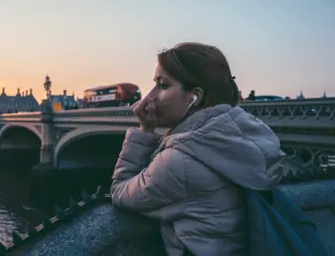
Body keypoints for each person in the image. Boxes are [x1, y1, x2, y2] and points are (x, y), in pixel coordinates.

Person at [110, 42, 285, 256]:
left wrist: (145, 131)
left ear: (195, 97)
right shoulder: (251, 134)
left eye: (162, 85)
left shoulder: (179, 161)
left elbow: (119, 192)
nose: (150, 96)